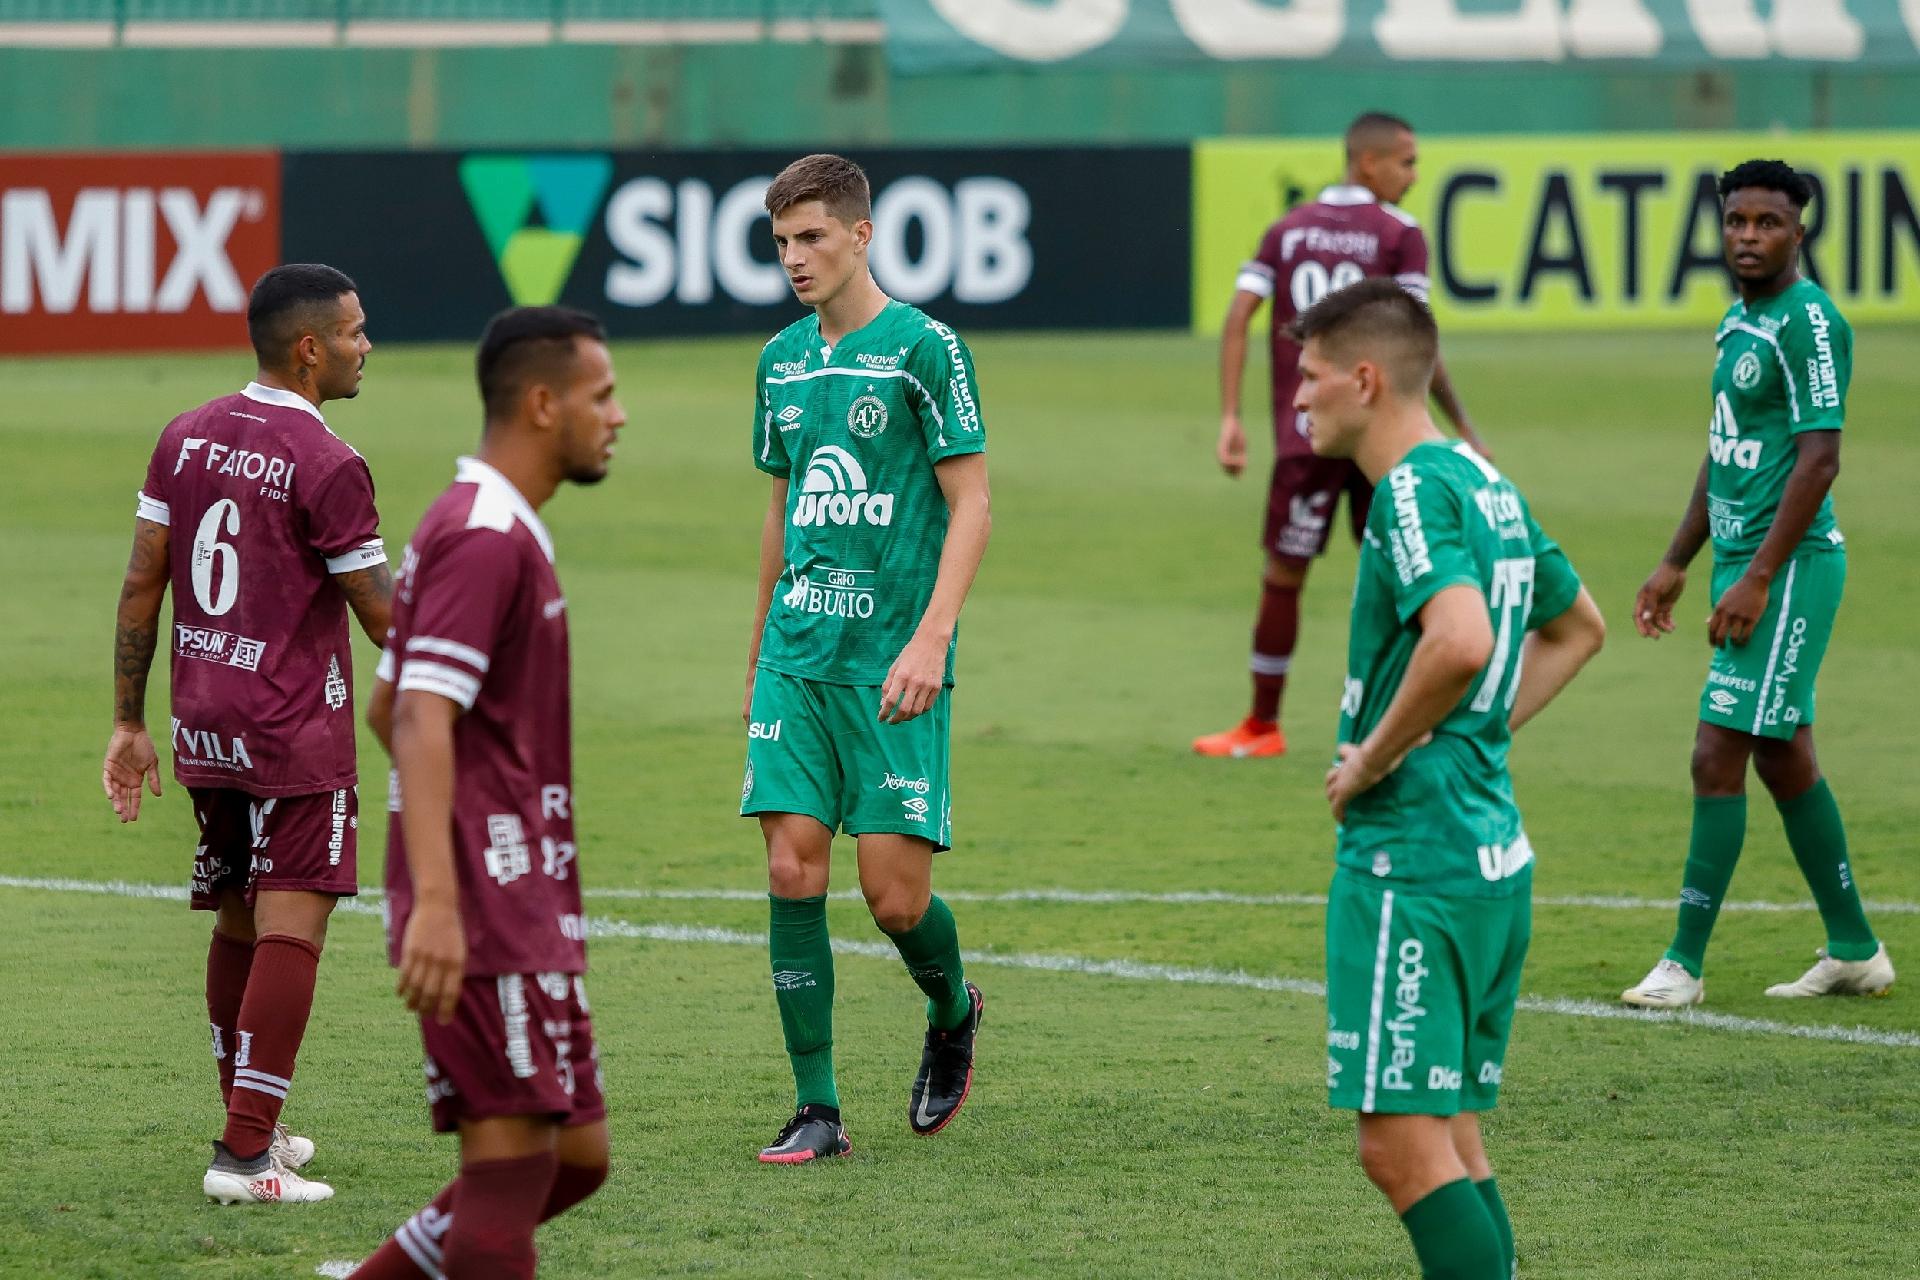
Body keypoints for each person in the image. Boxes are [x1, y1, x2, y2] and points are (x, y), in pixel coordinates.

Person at [1304, 279, 1605, 1278]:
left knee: (1399, 1146)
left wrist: (1376, 755)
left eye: (1307, 378)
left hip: (1415, 858)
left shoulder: (1410, 491)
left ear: (1364, 377)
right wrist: (1473, 734)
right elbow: (1578, 626)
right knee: (1455, 1138)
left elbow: (1464, 638)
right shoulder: (1486, 481)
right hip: (1489, 854)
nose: (1296, 400)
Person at [102, 263, 390, 1205]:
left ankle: (249, 1118)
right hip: (296, 728)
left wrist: (125, 721)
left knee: (236, 916)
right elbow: (385, 618)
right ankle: (242, 1154)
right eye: (352, 331)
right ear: (309, 349)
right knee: (293, 923)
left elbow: (144, 584)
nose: (364, 344)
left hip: (204, 721)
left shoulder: (183, 435)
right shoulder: (330, 463)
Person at [349, 307, 624, 1279]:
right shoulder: (486, 534)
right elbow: (420, 715)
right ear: (544, 404)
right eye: (602, 395)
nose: (617, 416)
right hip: (485, 899)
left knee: (576, 1157)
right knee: (507, 1177)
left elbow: (390, 707)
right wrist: (441, 896)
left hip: (520, 892)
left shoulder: (483, 523)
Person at [741, 153, 992, 1164]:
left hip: (893, 661)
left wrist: (933, 636)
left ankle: (952, 1003)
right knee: (793, 864)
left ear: (860, 234)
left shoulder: (925, 348)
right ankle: (818, 1105)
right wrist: (758, 643)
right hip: (797, 653)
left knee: (894, 897)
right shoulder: (779, 361)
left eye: (811, 238)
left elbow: (972, 498)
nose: (795, 259)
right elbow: (782, 503)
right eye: (782, 243)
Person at [1621, 161, 1893, 1008]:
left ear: (1799, 233)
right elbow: (1727, 447)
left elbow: (1821, 456)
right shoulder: (1741, 320)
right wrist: (1678, 561)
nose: (1747, 236)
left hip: (1793, 565)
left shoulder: (1810, 324)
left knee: (1716, 752)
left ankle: (1684, 963)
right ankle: (1855, 949)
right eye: (1736, 220)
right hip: (1744, 562)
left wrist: (1761, 578)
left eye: (1767, 223)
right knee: (1782, 755)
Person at [1196, 111, 1490, 760]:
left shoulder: (1287, 228)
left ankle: (1261, 725)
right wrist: (1457, 426)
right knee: (1406, 570)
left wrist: (1231, 417)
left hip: (1309, 433)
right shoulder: (1399, 233)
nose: (1414, 176)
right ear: (1369, 163)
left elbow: (1240, 313)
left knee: (1284, 573)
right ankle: (1422, 719)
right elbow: (1419, 340)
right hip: (1379, 435)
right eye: (1406, 162)